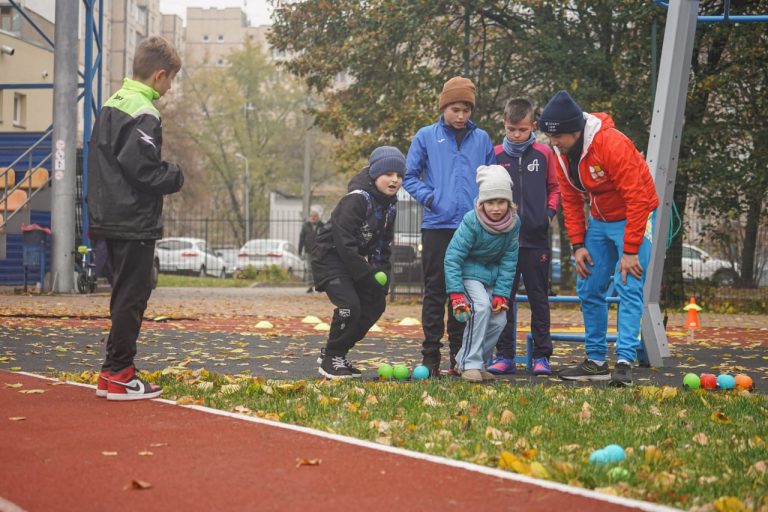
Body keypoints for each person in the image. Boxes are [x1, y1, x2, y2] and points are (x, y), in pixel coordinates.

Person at [538, 90, 658, 387]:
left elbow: (637, 198)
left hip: (635, 217)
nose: (553, 142)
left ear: (575, 131)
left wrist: (630, 251)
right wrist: (578, 244)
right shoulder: (560, 152)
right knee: (588, 284)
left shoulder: (612, 144)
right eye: (550, 136)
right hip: (600, 222)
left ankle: (625, 362)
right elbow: (569, 197)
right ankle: (596, 361)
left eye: (558, 136)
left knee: (629, 283)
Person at [88, 36, 184, 400]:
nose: (170, 87)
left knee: (122, 295)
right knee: (133, 296)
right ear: (159, 75)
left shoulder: (112, 103)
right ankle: (121, 374)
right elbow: (143, 171)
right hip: (133, 219)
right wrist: (174, 174)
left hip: (109, 214)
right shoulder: (144, 111)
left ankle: (111, 372)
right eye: (170, 79)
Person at [403, 76, 495, 377]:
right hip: (437, 226)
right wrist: (430, 198)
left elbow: (490, 179)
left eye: (466, 110)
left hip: (470, 228)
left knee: (463, 291)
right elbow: (409, 176)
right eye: (455, 109)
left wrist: (484, 210)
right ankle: (430, 356)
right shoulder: (426, 136)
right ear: (444, 107)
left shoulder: (481, 139)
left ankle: (459, 355)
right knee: (435, 291)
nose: (461, 116)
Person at [311, 146, 405, 379]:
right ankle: (332, 357)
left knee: (375, 305)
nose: (395, 180)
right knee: (349, 305)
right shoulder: (356, 200)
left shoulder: (390, 205)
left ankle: (336, 353)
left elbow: (384, 245)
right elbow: (344, 242)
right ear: (375, 174)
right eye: (388, 174)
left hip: (354, 263)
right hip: (330, 258)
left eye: (399, 175)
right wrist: (366, 275)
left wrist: (381, 277)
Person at [488, 98, 560, 377]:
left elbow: (555, 187)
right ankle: (504, 355)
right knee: (502, 299)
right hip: (504, 242)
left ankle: (542, 356)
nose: (516, 135)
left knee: (538, 299)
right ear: (504, 125)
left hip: (535, 240)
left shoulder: (544, 153)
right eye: (510, 129)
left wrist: (549, 214)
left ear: (533, 126)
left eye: (521, 130)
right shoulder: (495, 155)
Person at [444, 165, 520, 382]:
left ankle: (471, 361)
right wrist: (456, 293)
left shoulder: (514, 224)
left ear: (509, 203)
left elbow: (509, 260)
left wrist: (501, 293)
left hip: (492, 276)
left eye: (501, 202)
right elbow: (453, 256)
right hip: (468, 273)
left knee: (500, 318)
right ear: (482, 203)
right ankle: (470, 364)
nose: (496, 208)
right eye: (490, 202)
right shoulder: (472, 221)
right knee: (480, 308)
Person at [298, 209, 322, 292]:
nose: (313, 218)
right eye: (312, 216)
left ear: (318, 217)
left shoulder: (322, 226)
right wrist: (300, 251)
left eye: (315, 216)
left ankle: (319, 286)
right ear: (309, 217)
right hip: (309, 251)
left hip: (319, 251)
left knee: (319, 269)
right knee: (309, 269)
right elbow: (301, 239)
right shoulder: (305, 226)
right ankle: (310, 286)